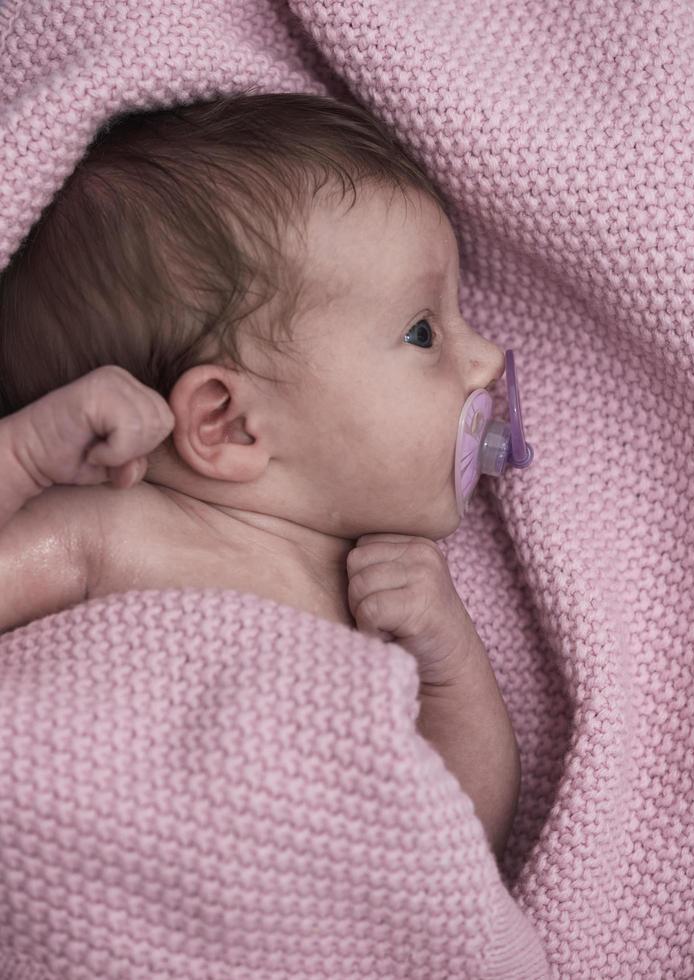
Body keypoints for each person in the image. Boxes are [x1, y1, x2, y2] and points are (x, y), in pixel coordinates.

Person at [0, 91, 520, 858]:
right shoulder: (111, 531)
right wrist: (20, 456)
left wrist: (451, 663)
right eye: (423, 332)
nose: (488, 361)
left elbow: (464, 841)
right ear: (229, 424)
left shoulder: (385, 606)